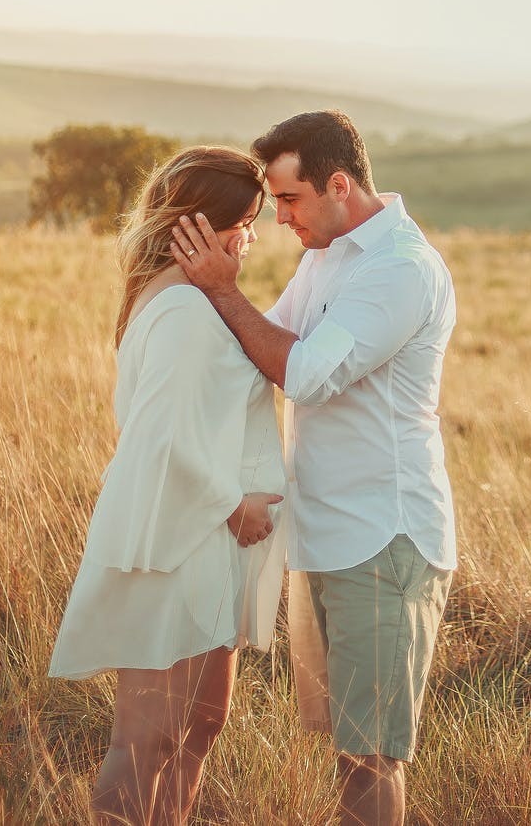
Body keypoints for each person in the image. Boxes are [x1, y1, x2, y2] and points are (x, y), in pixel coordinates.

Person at [171, 109, 456, 826]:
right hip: (326, 536)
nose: (281, 217)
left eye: (291, 199)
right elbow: (254, 345)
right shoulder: (325, 257)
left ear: (339, 183)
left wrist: (220, 286)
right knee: (346, 748)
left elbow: (301, 371)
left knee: (371, 756)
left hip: (384, 540)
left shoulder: (399, 270)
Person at [48, 145, 288, 826]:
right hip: (177, 540)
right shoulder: (182, 308)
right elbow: (155, 436)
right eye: (243, 220)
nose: (251, 235)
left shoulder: (193, 295)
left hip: (203, 545)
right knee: (146, 740)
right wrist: (231, 503)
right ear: (197, 225)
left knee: (198, 728)